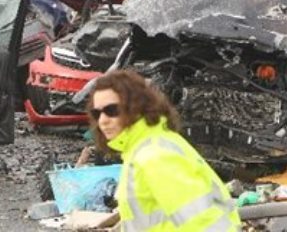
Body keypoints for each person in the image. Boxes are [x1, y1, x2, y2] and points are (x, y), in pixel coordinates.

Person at [89, 70, 239, 231]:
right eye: (96, 113)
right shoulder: (142, 149)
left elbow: (207, 224)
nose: (102, 121)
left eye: (112, 111)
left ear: (136, 107)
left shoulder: (154, 155)